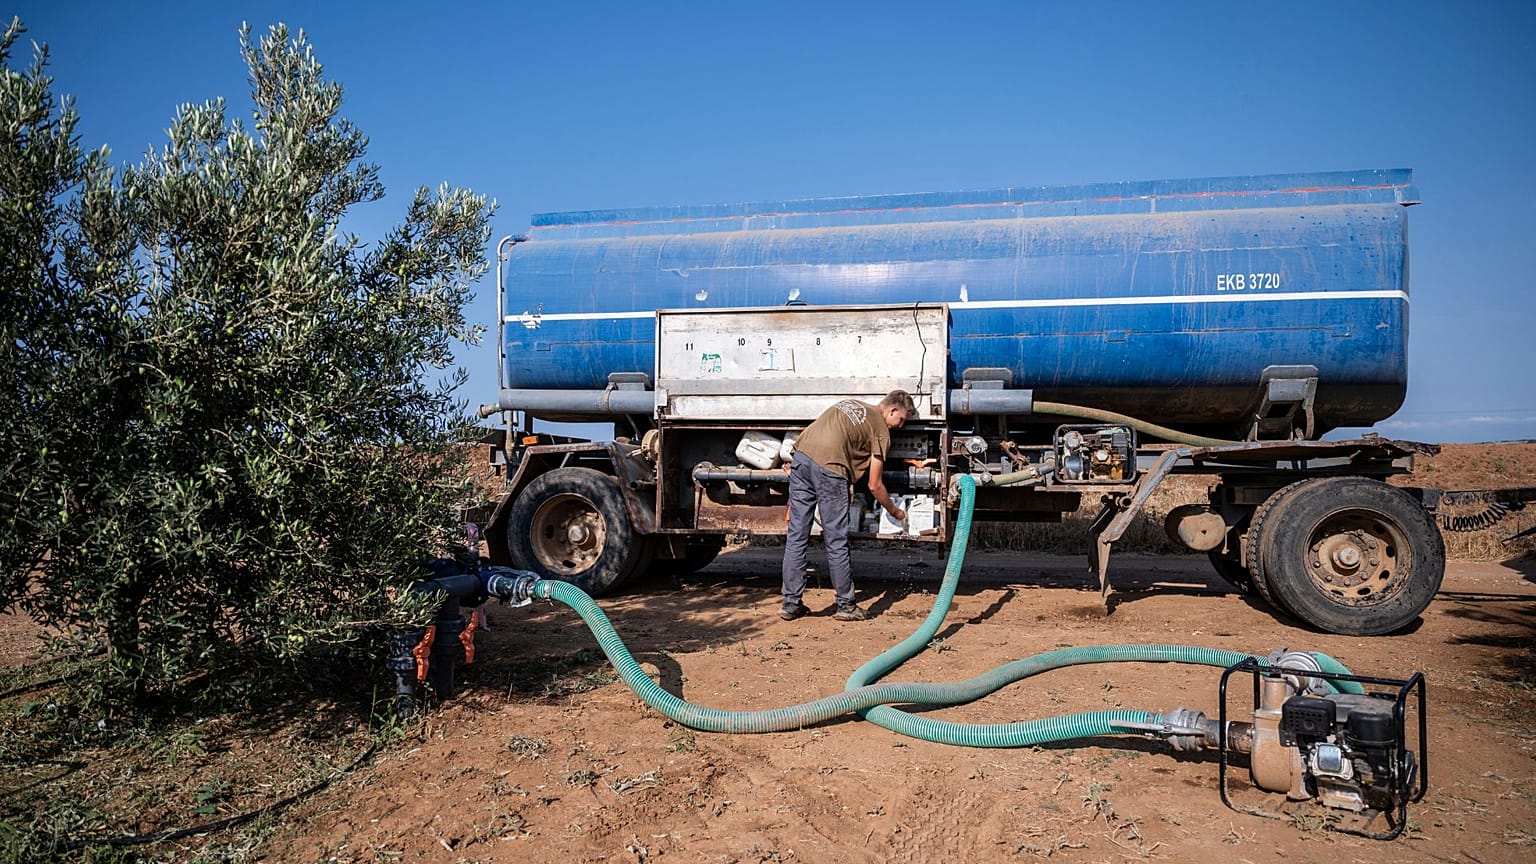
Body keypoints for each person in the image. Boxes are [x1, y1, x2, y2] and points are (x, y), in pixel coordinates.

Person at [780, 390, 916, 621]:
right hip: (830, 470)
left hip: (801, 459)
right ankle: (846, 605)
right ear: (892, 410)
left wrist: (848, 478)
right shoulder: (881, 430)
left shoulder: (852, 403)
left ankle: (791, 604)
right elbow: (874, 484)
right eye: (901, 419)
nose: (900, 426)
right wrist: (895, 511)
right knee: (836, 540)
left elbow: (839, 437)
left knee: (796, 536)